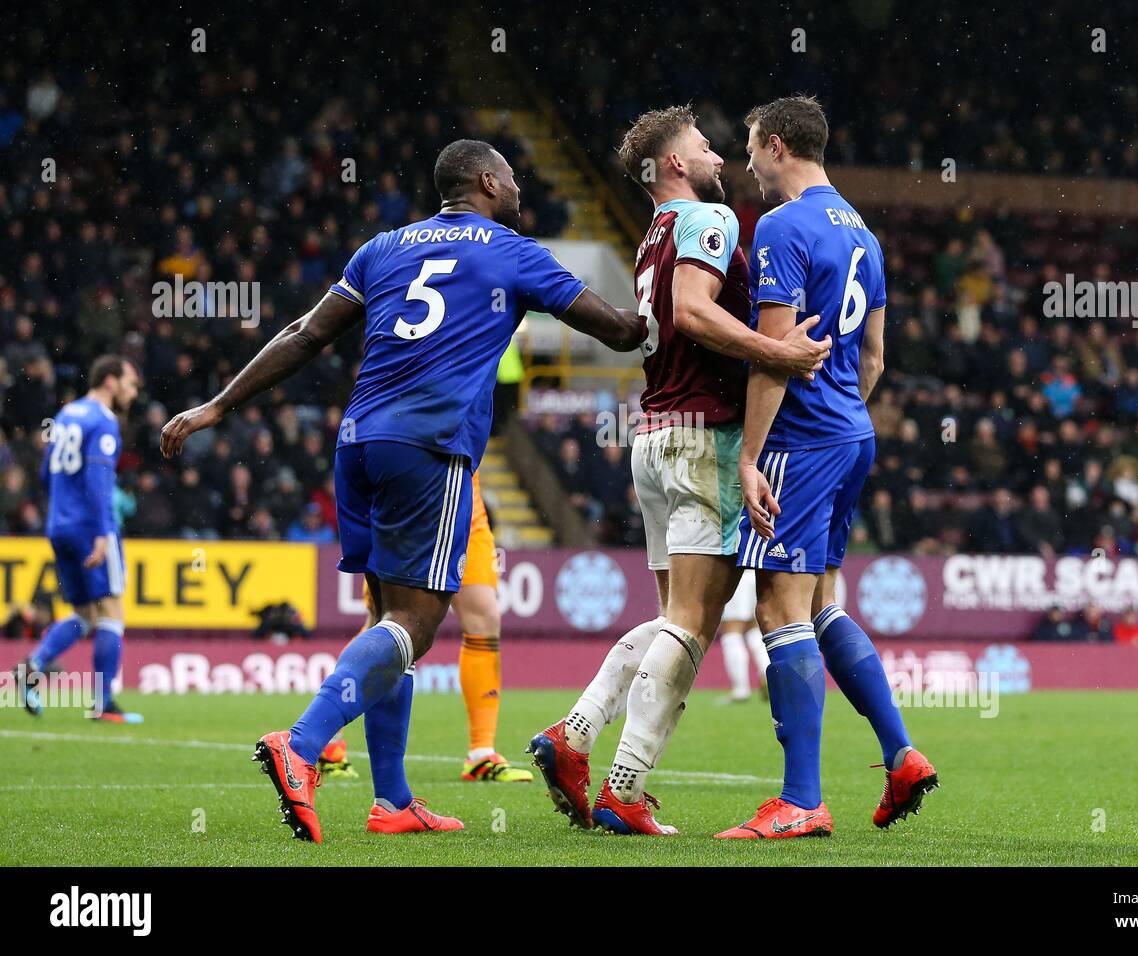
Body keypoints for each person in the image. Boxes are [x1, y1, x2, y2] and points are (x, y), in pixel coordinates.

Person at [160, 139, 645, 843]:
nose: (517, 189)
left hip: (359, 442)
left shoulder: (382, 247)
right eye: (510, 178)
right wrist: (676, 314)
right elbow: (621, 331)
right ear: (486, 181)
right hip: (430, 445)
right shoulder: (513, 250)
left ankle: (392, 800)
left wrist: (216, 406)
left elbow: (304, 334)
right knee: (416, 623)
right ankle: (301, 747)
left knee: (389, 618)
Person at [526, 106, 827, 835]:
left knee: (674, 618)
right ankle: (619, 784)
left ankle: (576, 734)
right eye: (700, 146)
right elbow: (692, 313)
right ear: (672, 165)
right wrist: (775, 349)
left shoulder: (650, 239)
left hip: (656, 434)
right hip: (703, 440)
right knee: (692, 624)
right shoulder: (707, 222)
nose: (717, 154)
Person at [718, 97, 937, 840]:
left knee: (779, 610)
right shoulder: (864, 234)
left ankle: (801, 800)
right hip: (851, 433)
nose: (746, 164)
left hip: (801, 443)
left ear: (777, 145)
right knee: (819, 606)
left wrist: (752, 456)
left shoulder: (782, 226)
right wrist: (844, 411)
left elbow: (774, 352)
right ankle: (901, 753)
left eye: (750, 149)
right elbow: (873, 357)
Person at [319, 472, 533, 784]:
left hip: (463, 500)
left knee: (485, 618)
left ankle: (481, 754)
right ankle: (328, 740)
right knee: (384, 622)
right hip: (414, 492)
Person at [15, 356, 141, 723]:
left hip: (59, 525)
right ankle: (103, 704)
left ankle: (34, 664)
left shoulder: (68, 414)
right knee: (112, 611)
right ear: (112, 382)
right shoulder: (104, 421)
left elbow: (45, 472)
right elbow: (99, 481)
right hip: (91, 528)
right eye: (131, 384)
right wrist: (102, 532)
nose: (134, 394)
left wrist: (62, 510)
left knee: (85, 613)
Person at [717, 569, 769, 702]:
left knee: (732, 631)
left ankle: (741, 689)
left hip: (737, 574)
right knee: (754, 629)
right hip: (758, 574)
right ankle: (768, 673)